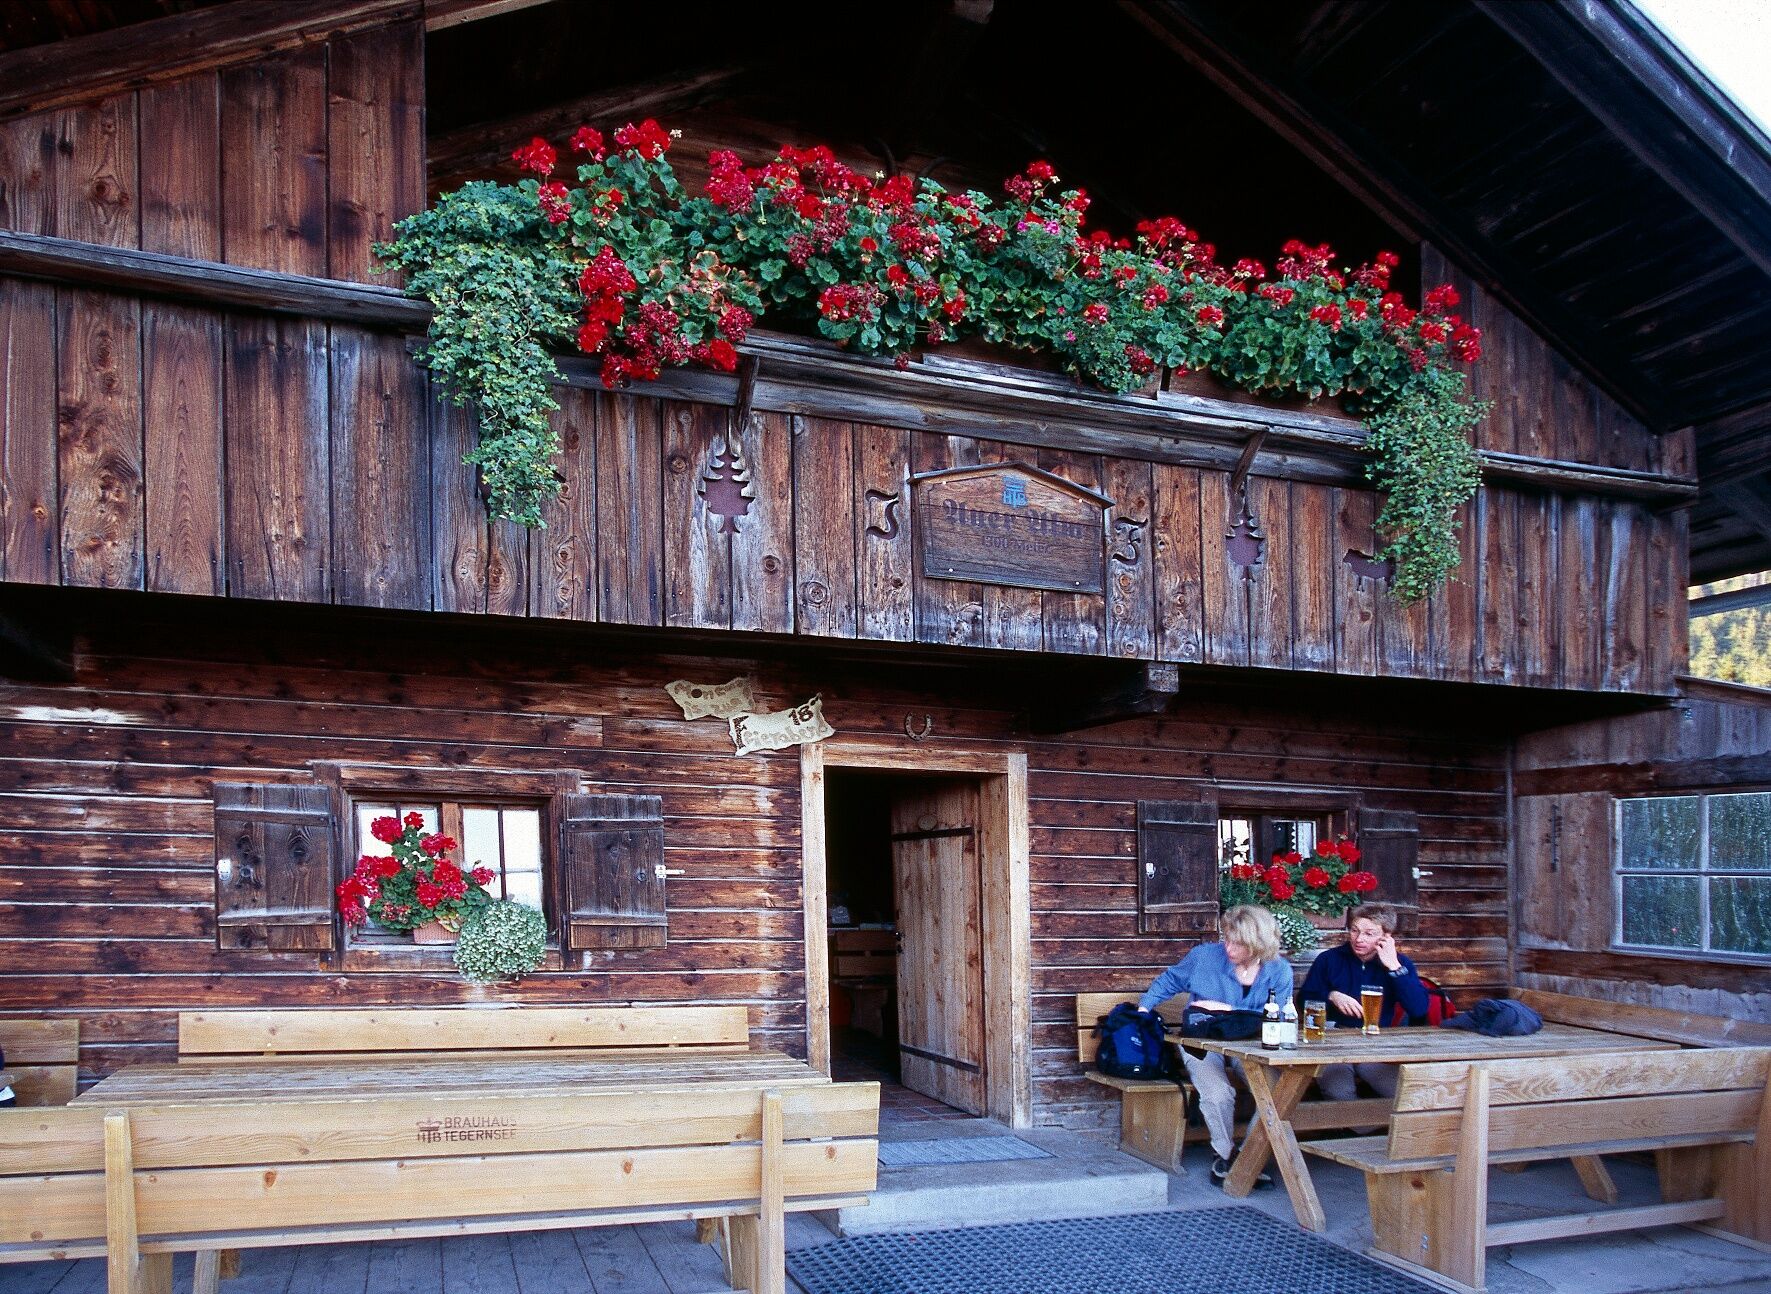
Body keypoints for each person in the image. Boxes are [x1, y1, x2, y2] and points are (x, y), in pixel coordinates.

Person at [1139, 904, 1293, 1184]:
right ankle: (1224, 1154)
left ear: (1258, 944)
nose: (1229, 948)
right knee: (1218, 1093)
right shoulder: (1204, 957)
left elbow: (1279, 1015)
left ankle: (1249, 1157)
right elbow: (1170, 980)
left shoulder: (1279, 970)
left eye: (1238, 943)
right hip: (1201, 1039)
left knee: (1276, 1093)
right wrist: (1144, 1007)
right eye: (1227, 939)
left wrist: (1228, 1010)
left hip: (1250, 1042)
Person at [1300, 902, 1429, 1104]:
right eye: (1355, 930)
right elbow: (1303, 1000)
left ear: (1386, 936)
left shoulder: (1400, 963)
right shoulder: (1329, 959)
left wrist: (1394, 967)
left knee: (1403, 1093)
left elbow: (1418, 1008)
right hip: (1334, 1040)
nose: (1359, 939)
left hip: (1376, 1042)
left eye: (1369, 934)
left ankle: (1387, 1123)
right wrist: (1331, 995)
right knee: (1339, 1092)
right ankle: (1354, 1124)